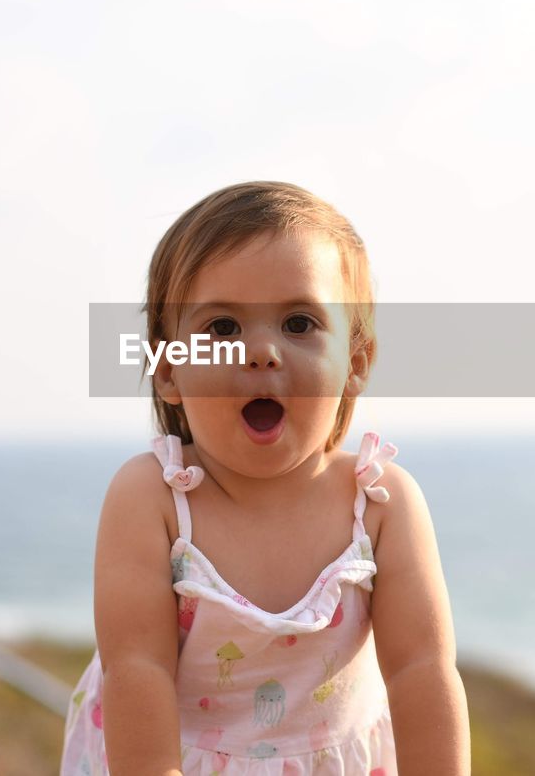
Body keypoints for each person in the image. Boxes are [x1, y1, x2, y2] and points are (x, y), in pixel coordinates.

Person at [60, 181, 470, 775]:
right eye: (222, 328)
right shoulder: (154, 498)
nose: (261, 352)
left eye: (299, 323)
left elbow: (423, 671)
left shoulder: (380, 503)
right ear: (169, 368)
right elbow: (136, 669)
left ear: (355, 364)